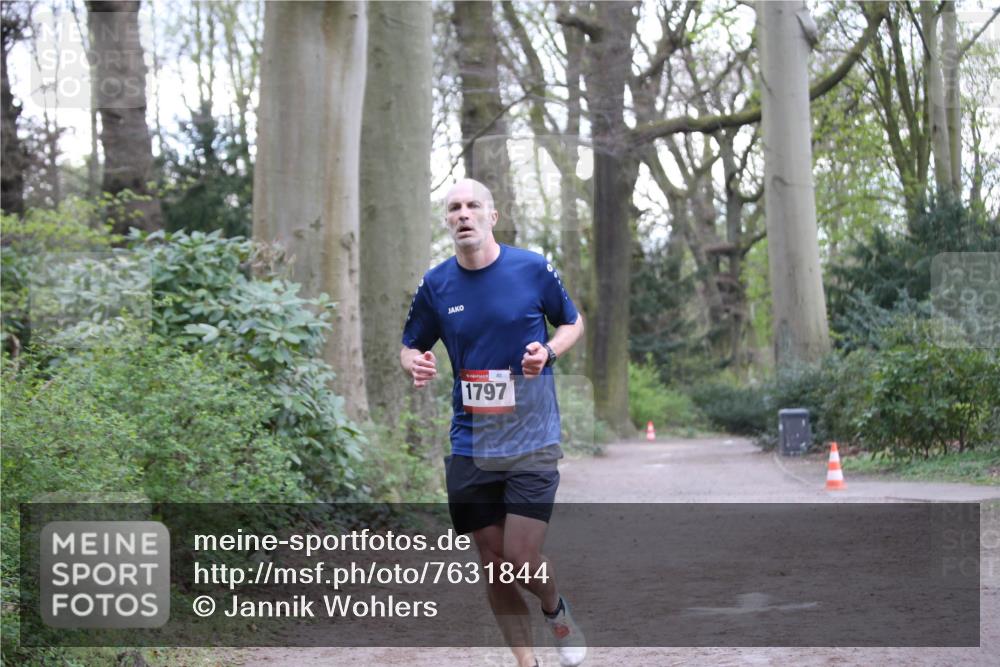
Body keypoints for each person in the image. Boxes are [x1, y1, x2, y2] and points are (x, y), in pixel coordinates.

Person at [400, 178, 587, 667]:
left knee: (522, 558)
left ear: (491, 216)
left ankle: (555, 608)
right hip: (471, 440)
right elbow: (409, 344)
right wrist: (414, 362)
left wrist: (546, 351)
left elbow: (572, 322)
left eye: (472, 206)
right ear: (447, 220)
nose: (463, 214)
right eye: (454, 208)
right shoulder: (436, 284)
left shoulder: (531, 268)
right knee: (495, 565)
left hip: (532, 437)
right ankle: (527, 663)